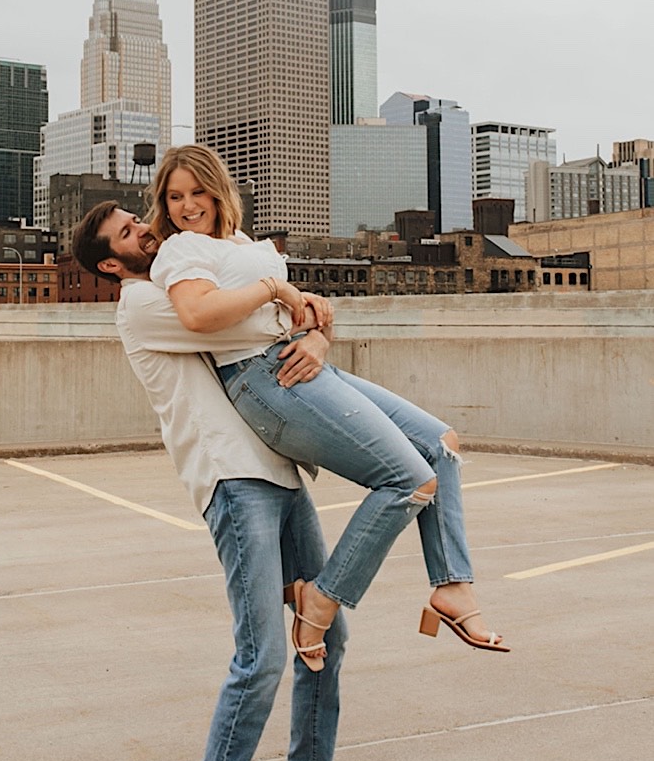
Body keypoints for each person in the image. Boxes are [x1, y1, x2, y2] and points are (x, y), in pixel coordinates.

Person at [72, 200, 394, 761]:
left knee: (325, 634)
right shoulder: (141, 303)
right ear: (109, 262)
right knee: (262, 653)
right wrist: (292, 300)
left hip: (279, 472)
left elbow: (267, 326)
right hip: (232, 479)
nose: (145, 229)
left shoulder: (183, 274)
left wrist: (314, 334)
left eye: (138, 218)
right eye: (127, 233)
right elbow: (243, 323)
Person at [146, 145, 506, 672]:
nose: (187, 205)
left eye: (197, 191)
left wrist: (317, 332)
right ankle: (322, 600)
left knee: (440, 445)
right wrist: (275, 287)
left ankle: (453, 586)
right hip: (264, 379)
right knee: (409, 480)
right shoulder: (183, 250)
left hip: (300, 362)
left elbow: (296, 313)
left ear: (219, 190)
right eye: (175, 196)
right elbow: (198, 315)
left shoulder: (239, 243)